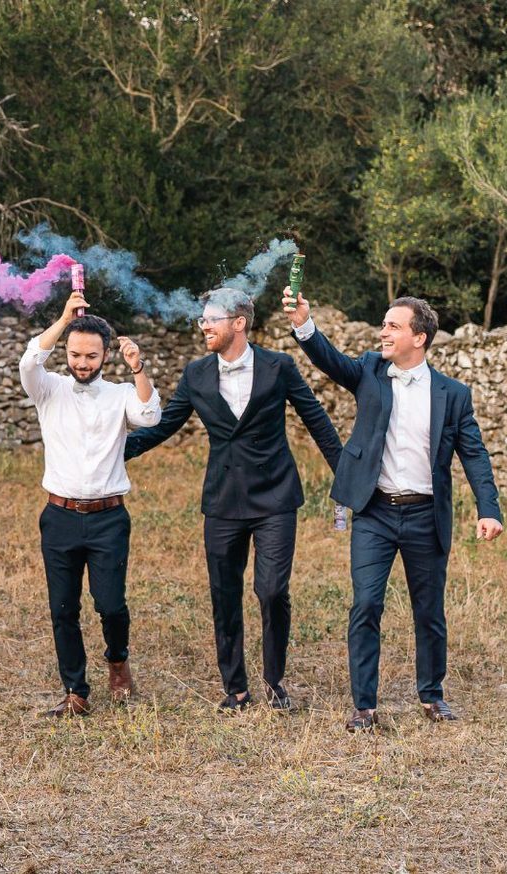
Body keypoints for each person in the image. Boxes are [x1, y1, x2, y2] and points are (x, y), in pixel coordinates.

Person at [285, 292, 503, 731]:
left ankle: (432, 695)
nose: (383, 332)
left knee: (429, 611)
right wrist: (305, 325)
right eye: (383, 325)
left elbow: (474, 455)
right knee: (366, 604)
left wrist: (488, 508)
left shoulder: (454, 395)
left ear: (419, 338)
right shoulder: (369, 370)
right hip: (374, 512)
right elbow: (330, 360)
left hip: (427, 516)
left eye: (393, 326)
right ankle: (364, 706)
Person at [125, 289, 342, 712]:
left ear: (238, 323)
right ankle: (236, 687)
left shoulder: (280, 366)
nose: (203, 325)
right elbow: (166, 426)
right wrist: (113, 450)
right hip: (223, 501)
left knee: (272, 591)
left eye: (212, 319)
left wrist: (348, 475)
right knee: (224, 594)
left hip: (275, 496)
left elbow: (314, 417)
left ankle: (275, 681)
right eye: (202, 319)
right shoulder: (196, 374)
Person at [19, 291, 160, 718]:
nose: (82, 363)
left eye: (91, 356)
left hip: (108, 518)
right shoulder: (49, 390)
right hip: (59, 516)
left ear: (104, 356)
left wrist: (138, 368)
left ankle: (118, 661)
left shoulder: (118, 394)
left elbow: (150, 415)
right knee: (63, 608)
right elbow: (29, 362)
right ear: (67, 352)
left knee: (111, 604)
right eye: (76, 355)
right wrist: (63, 319)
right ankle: (75, 691)